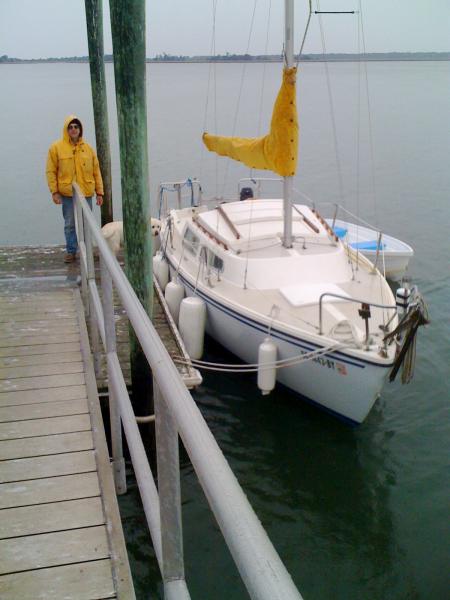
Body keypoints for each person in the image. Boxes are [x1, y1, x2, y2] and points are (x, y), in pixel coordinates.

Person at [46, 115, 104, 263]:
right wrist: (54, 192)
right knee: (70, 224)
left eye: (76, 127)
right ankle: (71, 251)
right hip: (67, 194)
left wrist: (100, 192)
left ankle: (88, 251)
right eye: (70, 127)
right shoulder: (56, 148)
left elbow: (96, 171)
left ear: (80, 129)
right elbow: (50, 171)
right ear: (66, 130)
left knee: (87, 224)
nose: (73, 129)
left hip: (86, 193)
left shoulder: (88, 149)